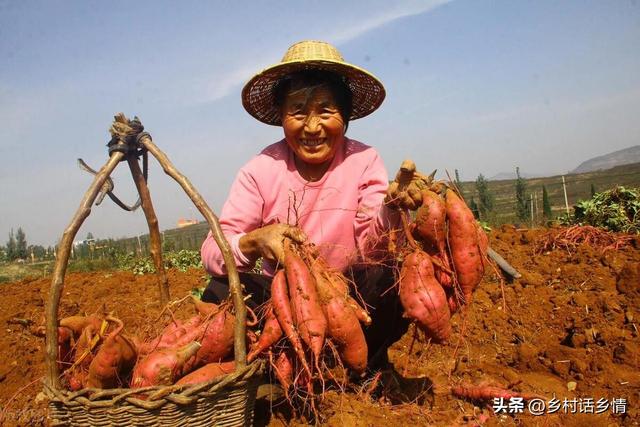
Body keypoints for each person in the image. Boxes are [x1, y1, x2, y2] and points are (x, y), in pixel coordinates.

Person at [200, 40, 412, 371]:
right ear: (282, 117)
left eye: (325, 111)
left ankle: (363, 364)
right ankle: (292, 363)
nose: (312, 127)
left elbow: (374, 247)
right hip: (283, 303)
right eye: (298, 111)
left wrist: (392, 208)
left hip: (351, 296)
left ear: (344, 116)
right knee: (218, 291)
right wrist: (253, 241)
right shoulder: (261, 169)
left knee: (393, 280)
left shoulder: (364, 160)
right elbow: (213, 251)